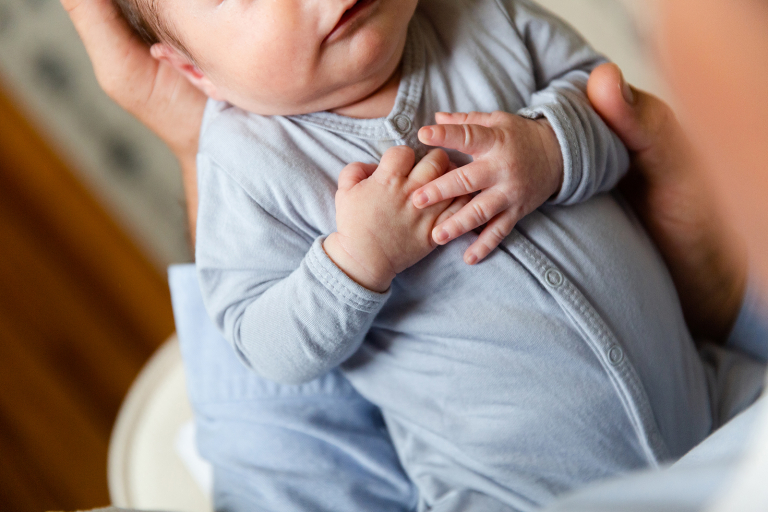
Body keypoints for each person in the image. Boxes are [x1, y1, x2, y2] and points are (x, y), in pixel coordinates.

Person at [59, 0, 768, 511]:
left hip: (711, 392)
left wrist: (549, 149)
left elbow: (608, 105)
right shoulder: (245, 168)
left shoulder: (477, 19)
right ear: (192, 70)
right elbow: (264, 344)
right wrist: (351, 263)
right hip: (515, 494)